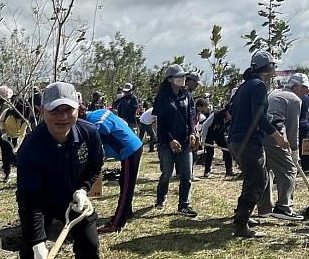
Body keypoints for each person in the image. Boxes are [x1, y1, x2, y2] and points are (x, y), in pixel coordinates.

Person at [16, 80, 111, 259]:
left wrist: (83, 189)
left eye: (68, 109)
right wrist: (39, 243)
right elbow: (29, 199)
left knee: (89, 243)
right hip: (41, 202)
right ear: (42, 112)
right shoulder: (31, 148)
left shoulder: (88, 134)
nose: (63, 117)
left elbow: (95, 165)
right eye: (54, 110)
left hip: (75, 200)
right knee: (31, 253)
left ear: (78, 109)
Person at [228, 50, 290, 238]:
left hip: (236, 140)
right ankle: (241, 225)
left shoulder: (245, 86)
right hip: (248, 142)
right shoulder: (259, 87)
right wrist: (277, 136)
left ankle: (242, 215)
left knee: (253, 178)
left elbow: (231, 109)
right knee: (258, 181)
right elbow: (258, 117)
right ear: (268, 68)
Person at [81, 105, 143, 233]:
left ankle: (116, 223)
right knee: (124, 183)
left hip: (128, 150)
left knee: (126, 188)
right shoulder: (99, 112)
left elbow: (96, 149)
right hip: (133, 144)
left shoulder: (94, 125)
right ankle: (127, 211)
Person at [258, 72, 309, 221]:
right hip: (273, 134)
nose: (306, 92)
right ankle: (283, 207)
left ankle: (265, 208)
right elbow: (293, 128)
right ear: (294, 86)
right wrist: (294, 151)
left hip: (259, 132)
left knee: (266, 169)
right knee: (289, 169)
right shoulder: (294, 99)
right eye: (303, 88)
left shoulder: (275, 92)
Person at [152, 65, 198, 217]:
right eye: (179, 76)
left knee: (187, 175)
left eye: (184, 76)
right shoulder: (162, 98)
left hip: (185, 141)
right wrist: (170, 140)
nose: (183, 79)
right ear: (171, 79)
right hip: (166, 142)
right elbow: (161, 122)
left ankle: (184, 205)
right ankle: (161, 197)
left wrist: (192, 133)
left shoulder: (187, 95)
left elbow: (191, 117)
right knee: (167, 173)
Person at [0, 98, 29, 182]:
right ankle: (7, 173)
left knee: (16, 157)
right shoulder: (7, 112)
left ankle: (21, 176)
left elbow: (22, 133)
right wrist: (3, 132)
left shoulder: (25, 118)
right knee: (6, 156)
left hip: (17, 138)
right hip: (6, 137)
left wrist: (18, 145)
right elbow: (1, 121)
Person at [200, 105, 233, 178]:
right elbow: (205, 126)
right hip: (209, 135)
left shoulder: (230, 119)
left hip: (219, 135)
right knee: (210, 153)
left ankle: (229, 171)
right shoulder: (215, 115)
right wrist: (203, 139)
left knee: (227, 150)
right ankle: (207, 171)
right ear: (226, 112)